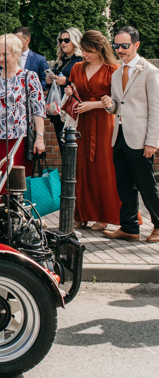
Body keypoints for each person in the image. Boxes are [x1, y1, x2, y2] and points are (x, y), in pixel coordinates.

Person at [102, 26, 159, 243]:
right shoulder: (117, 73)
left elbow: (156, 109)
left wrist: (152, 141)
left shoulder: (150, 71)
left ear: (136, 45)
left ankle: (158, 224)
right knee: (124, 184)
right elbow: (119, 105)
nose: (120, 50)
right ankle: (129, 227)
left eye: (125, 45)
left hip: (141, 138)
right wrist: (110, 105)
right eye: (116, 45)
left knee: (146, 184)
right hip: (120, 136)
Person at [62, 31, 121, 232]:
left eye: (88, 51)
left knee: (103, 168)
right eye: (83, 50)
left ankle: (103, 216)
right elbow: (72, 89)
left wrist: (92, 105)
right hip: (81, 123)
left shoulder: (113, 69)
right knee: (81, 167)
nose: (84, 54)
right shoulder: (77, 67)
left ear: (99, 49)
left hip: (104, 123)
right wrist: (70, 92)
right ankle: (80, 214)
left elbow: (117, 100)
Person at [0, 34, 46, 178]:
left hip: (19, 140)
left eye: (5, 54)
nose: (1, 58)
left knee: (16, 182)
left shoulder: (29, 77)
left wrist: (39, 137)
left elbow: (38, 110)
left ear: (16, 54)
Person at [45, 28, 84, 152]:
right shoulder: (60, 61)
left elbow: (84, 82)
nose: (63, 43)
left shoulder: (81, 60)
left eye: (67, 40)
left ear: (75, 41)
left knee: (71, 145)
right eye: (61, 40)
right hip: (58, 108)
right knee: (62, 145)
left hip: (71, 108)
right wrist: (50, 80)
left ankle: (74, 172)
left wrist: (66, 81)